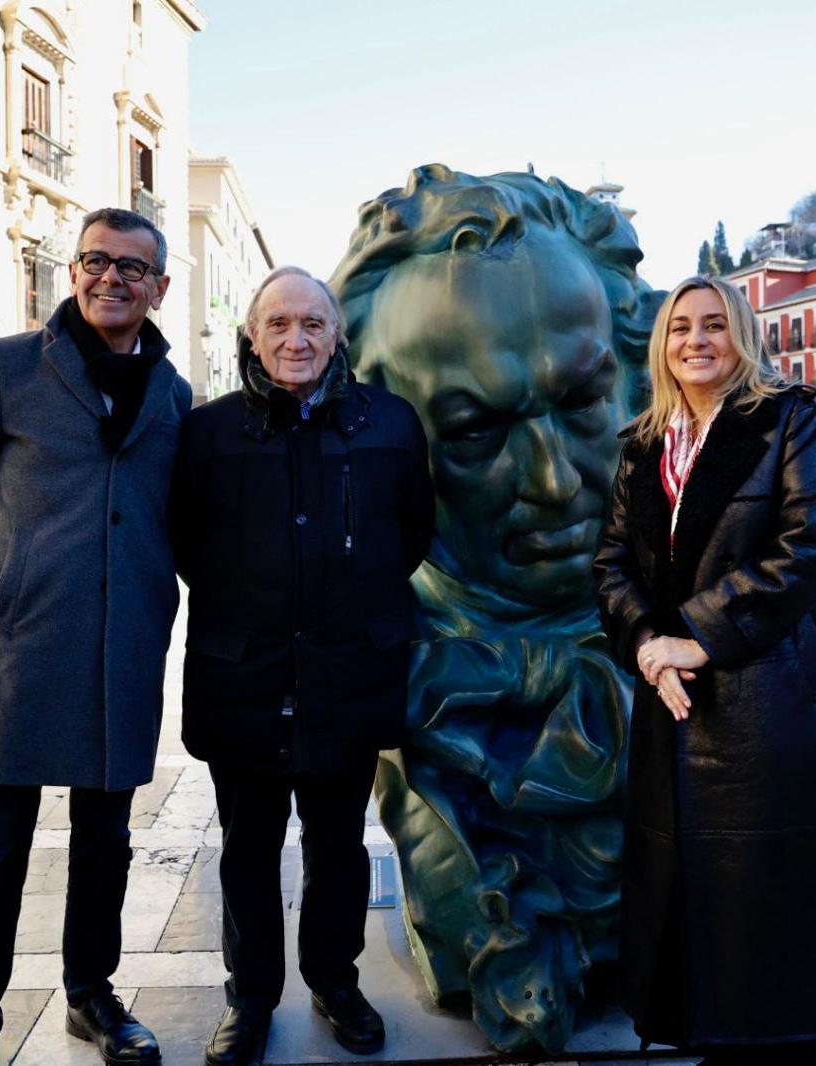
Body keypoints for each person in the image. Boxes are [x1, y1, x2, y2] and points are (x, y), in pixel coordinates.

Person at [327, 165, 659, 1051]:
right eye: (475, 431)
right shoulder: (408, 673)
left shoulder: (684, 621)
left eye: (584, 400)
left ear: (631, 371)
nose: (553, 482)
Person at [593, 276, 816, 1063]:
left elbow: (814, 545)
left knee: (781, 922)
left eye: (714, 324)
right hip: (674, 707)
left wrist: (696, 635)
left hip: (772, 706)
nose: (696, 340)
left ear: (742, 334)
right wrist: (650, 644)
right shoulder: (645, 444)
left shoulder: (790, 420)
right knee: (700, 928)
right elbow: (613, 563)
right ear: (663, 345)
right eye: (681, 327)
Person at [0, 207, 191, 1066]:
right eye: (96, 261)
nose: (112, 278)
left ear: (159, 288)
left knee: (106, 839)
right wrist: (10, 587)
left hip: (124, 647)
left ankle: (92, 996)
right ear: (71, 273)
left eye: (132, 268)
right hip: (23, 645)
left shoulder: (172, 390)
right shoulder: (4, 366)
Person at [170, 266, 434, 1066]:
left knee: (338, 844)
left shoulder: (390, 423)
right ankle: (250, 1001)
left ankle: (334, 982)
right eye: (278, 323)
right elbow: (186, 544)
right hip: (244, 675)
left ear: (338, 335)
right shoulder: (208, 432)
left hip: (349, 673)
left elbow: (411, 536)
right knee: (248, 847)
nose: (296, 339)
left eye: (312, 324)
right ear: (253, 335)